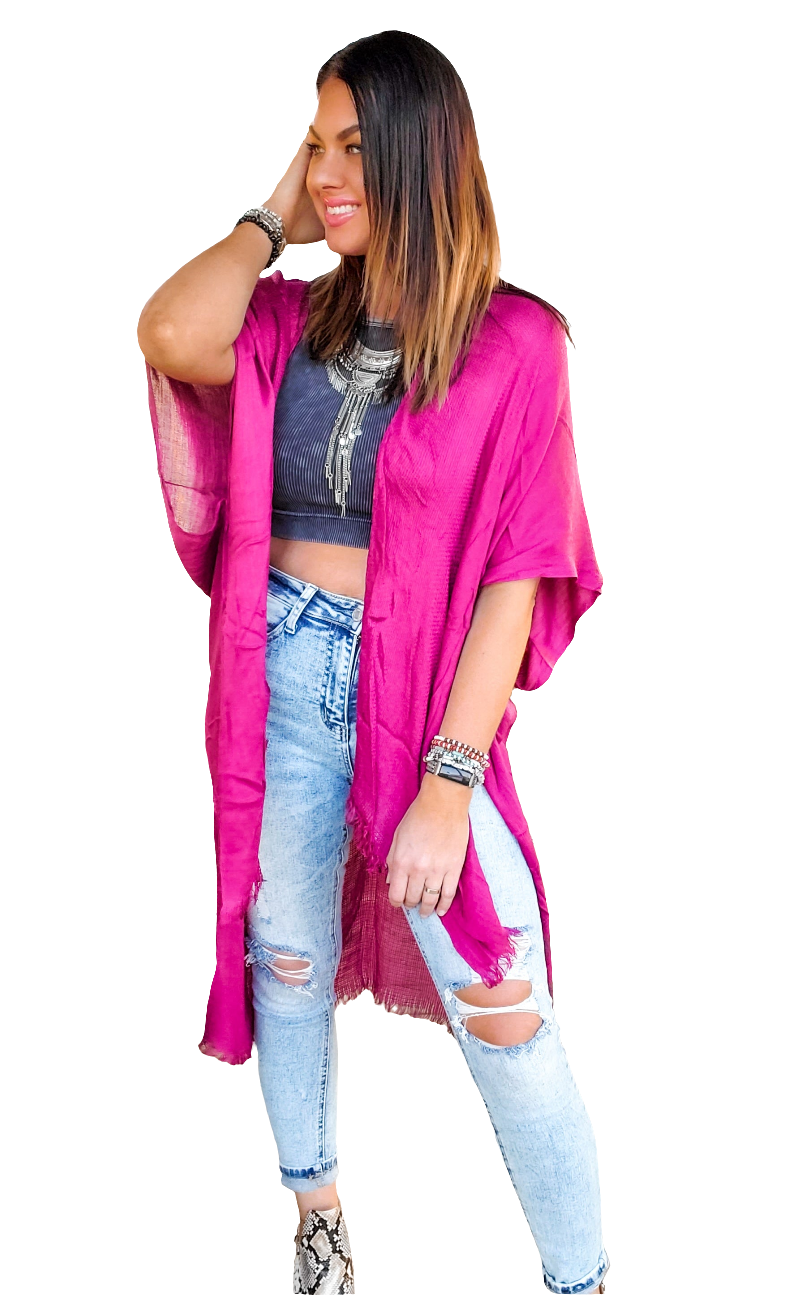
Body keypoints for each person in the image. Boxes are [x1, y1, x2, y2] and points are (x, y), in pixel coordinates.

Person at [138, 29, 607, 1295]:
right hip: (281, 686)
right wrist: (270, 218)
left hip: (424, 705)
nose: (327, 171)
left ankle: (583, 1278)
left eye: (353, 145)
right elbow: (168, 329)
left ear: (418, 154)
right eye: (315, 145)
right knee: (286, 963)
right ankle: (321, 1225)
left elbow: (518, 574)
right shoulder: (286, 317)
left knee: (506, 1005)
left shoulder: (516, 343)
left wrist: (449, 783)